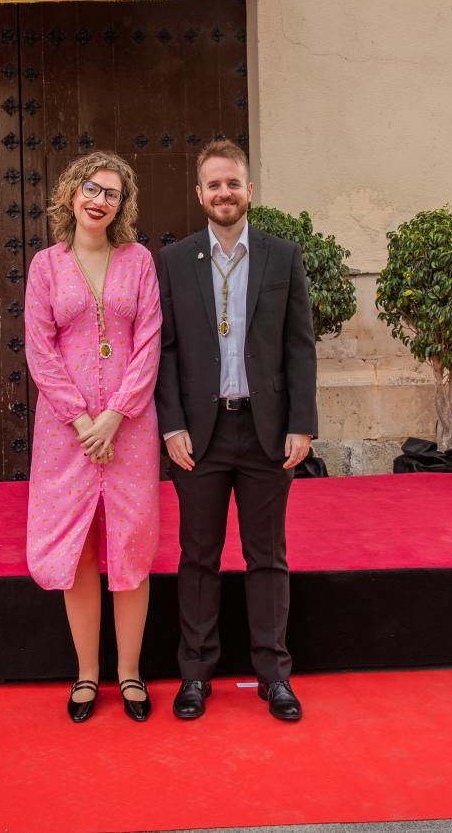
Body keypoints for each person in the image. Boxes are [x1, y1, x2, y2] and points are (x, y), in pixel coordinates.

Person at [157, 140, 317, 722]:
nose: (224, 193)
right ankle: (194, 675)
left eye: (233, 183)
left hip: (266, 432)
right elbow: (165, 352)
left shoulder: (282, 256)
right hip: (198, 438)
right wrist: (170, 423)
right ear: (199, 195)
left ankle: (274, 675)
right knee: (197, 557)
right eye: (213, 185)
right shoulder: (174, 262)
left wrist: (302, 423)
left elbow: (299, 347)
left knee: (266, 556)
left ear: (249, 190)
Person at [24, 152, 162, 723]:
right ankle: (87, 673)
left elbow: (150, 340)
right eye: (91, 188)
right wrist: (83, 419)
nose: (98, 199)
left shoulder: (140, 262)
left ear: (121, 205)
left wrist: (116, 415)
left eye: (111, 193)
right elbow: (39, 347)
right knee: (78, 549)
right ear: (72, 194)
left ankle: (128, 673)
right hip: (65, 433)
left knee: (129, 545)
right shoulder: (46, 266)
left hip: (129, 430)